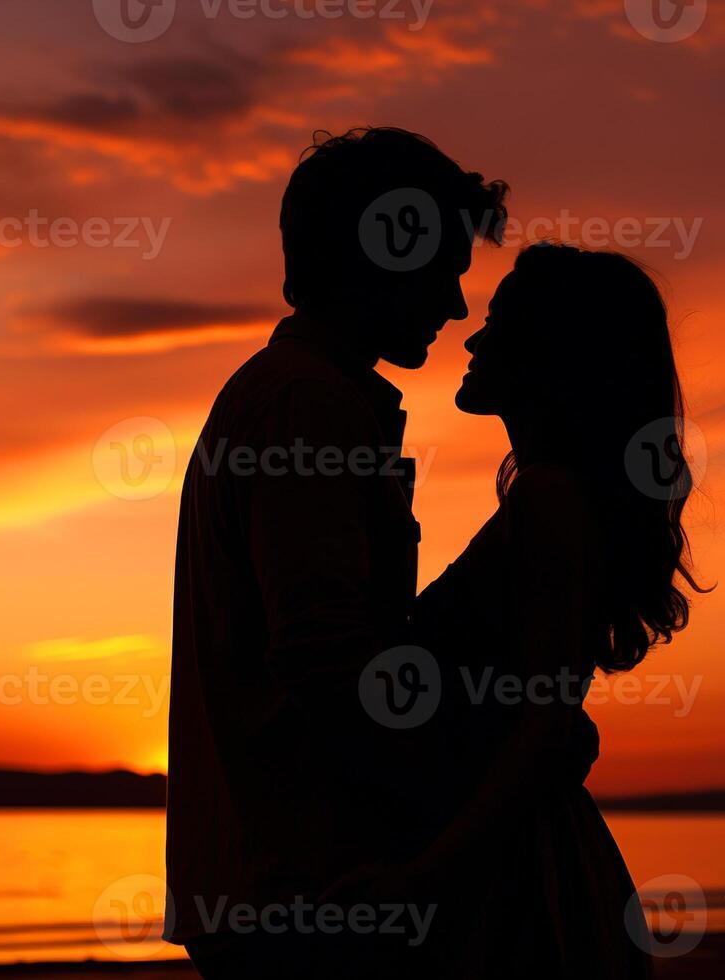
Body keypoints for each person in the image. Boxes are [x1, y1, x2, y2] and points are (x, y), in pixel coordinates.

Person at [164, 127, 508, 979]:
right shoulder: (303, 408)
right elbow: (327, 654)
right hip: (308, 897)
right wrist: (476, 774)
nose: (459, 307)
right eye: (446, 271)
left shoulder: (306, 400)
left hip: (286, 890)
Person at [337, 243, 707, 978]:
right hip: (521, 851)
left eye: (499, 323)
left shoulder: (549, 500)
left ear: (551, 352)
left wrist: (424, 878)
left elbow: (544, 725)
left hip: (515, 872)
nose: (472, 338)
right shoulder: (548, 498)